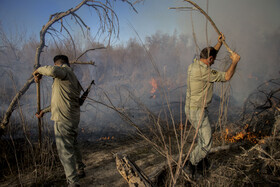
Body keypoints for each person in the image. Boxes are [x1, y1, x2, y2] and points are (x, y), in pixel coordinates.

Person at [184, 34, 240, 177]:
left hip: (191, 108)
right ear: (209, 60)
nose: (214, 62)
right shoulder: (205, 72)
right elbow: (226, 77)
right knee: (206, 143)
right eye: (213, 60)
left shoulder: (194, 64)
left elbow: (210, 54)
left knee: (202, 138)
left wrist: (219, 44)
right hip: (197, 111)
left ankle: (200, 162)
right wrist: (234, 61)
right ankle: (190, 164)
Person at [33, 55, 86, 187]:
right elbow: (60, 102)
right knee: (73, 144)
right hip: (72, 119)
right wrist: (43, 111)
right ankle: (80, 169)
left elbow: (51, 71)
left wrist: (38, 70)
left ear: (58, 64)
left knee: (64, 152)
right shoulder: (72, 77)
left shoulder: (64, 71)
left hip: (63, 120)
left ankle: (73, 183)